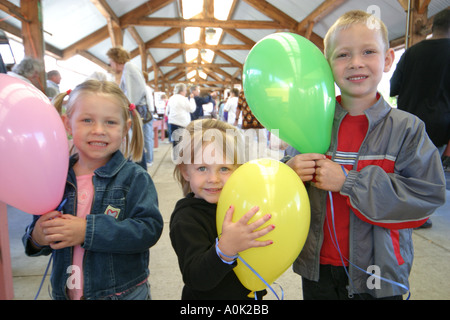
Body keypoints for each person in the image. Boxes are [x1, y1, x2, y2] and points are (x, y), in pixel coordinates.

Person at [284, 10, 446, 300]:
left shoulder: (407, 129)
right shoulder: (309, 121)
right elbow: (283, 185)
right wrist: (289, 170)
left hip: (379, 273)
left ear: (387, 60)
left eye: (368, 51)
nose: (356, 63)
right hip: (317, 268)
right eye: (343, 55)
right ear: (327, 65)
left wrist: (349, 182)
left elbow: (427, 195)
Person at [22, 80, 164, 300]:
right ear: (68, 124)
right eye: (87, 120)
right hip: (65, 293)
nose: (98, 130)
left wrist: (87, 231)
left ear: (126, 127)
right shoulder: (54, 177)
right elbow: (38, 231)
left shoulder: (135, 178)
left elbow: (149, 229)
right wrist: (37, 237)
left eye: (110, 122)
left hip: (122, 294)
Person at [169, 119, 274, 299]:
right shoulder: (186, 218)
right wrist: (225, 249)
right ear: (186, 171)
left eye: (224, 168)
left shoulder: (244, 205)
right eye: (202, 168)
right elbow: (196, 278)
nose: (213, 178)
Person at [390, 8, 450, 202]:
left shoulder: (411, 53)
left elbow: (394, 86)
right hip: (439, 126)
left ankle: (402, 205)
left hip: (407, 122)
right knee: (428, 177)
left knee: (404, 172)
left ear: (433, 26)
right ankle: (418, 212)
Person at [106, 46, 152, 169]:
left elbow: (134, 93)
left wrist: (122, 106)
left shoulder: (129, 68)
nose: (110, 64)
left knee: (135, 145)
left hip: (133, 111)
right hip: (132, 110)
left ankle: (140, 175)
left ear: (116, 59)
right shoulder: (128, 69)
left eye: (111, 61)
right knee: (135, 144)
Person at [166, 83, 196, 147]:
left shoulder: (171, 98)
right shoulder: (183, 99)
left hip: (172, 123)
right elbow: (192, 109)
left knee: (175, 142)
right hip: (182, 123)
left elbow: (167, 112)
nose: (186, 92)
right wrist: (192, 99)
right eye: (185, 90)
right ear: (181, 91)